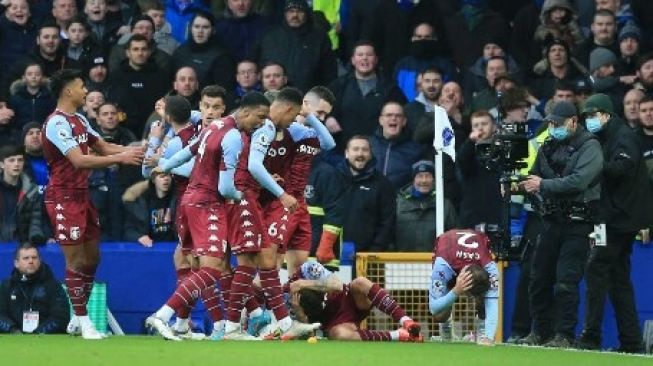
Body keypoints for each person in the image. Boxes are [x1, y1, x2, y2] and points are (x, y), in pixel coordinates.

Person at [145, 92, 264, 341]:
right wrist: (241, 194)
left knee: (201, 266)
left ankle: (208, 326)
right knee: (212, 269)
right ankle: (163, 316)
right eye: (260, 116)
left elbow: (189, 151)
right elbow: (224, 187)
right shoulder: (233, 137)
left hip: (189, 200)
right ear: (245, 111)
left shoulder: (215, 127)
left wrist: (165, 166)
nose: (261, 123)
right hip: (208, 204)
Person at [42, 69, 144, 339]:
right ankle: (84, 321)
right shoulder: (56, 123)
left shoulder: (80, 119)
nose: (86, 91)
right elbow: (80, 160)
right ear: (68, 91)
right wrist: (121, 160)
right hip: (63, 196)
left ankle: (78, 316)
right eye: (81, 86)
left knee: (92, 259)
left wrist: (133, 151)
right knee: (74, 261)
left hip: (82, 195)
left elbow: (102, 146)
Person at [518, 101, 603, 347]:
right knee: (538, 279)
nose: (553, 127)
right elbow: (533, 176)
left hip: (579, 223)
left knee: (566, 280)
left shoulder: (590, 147)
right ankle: (539, 332)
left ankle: (564, 335)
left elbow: (578, 182)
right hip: (551, 220)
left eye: (558, 123)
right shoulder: (548, 145)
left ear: (574, 121)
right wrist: (517, 184)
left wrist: (542, 185)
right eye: (551, 123)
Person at [577, 93, 652, 353]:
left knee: (596, 270)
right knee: (619, 279)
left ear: (606, 115)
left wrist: (594, 165)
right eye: (586, 116)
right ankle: (631, 342)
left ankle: (591, 336)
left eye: (592, 115)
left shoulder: (623, 136)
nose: (589, 120)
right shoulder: (608, 135)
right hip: (611, 218)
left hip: (616, 219)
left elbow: (623, 168)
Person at [261, 86, 337, 277]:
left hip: (300, 204)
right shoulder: (279, 130)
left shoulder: (306, 132)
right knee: (272, 265)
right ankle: (254, 307)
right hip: (280, 201)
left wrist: (310, 117)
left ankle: (288, 307)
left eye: (324, 115)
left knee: (298, 271)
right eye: (318, 112)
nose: (320, 117)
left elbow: (329, 144)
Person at [289, 260, 423, 342]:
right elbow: (309, 337)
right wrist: (300, 314)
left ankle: (405, 321)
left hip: (347, 299)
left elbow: (337, 286)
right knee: (338, 335)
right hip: (335, 322)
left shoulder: (308, 268)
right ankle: (399, 335)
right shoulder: (284, 301)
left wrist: (304, 283)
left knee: (360, 282)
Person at [317, 136, 395, 262]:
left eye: (365, 150)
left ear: (370, 154)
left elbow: (387, 223)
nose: (360, 154)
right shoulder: (331, 179)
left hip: (366, 259)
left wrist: (373, 253)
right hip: (330, 255)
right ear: (346, 153)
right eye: (356, 149)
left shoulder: (383, 184)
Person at [428, 229, 499, 346]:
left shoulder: (491, 268)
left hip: (468, 253)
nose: (470, 304)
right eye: (470, 296)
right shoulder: (441, 267)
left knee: (484, 297)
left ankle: (483, 333)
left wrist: (489, 337)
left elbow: (492, 302)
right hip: (448, 255)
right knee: (439, 314)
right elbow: (433, 308)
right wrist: (455, 291)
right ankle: (446, 327)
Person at [253, 0, 337, 93]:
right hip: (273, 98)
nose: (295, 15)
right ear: (284, 14)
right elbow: (258, 65)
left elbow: (330, 73)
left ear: (306, 13)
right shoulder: (269, 36)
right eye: (291, 11)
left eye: (300, 11)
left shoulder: (319, 37)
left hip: (309, 98)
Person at [0, 243, 70, 334]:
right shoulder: (7, 285)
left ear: (40, 261)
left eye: (34, 258)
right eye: (26, 258)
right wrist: (13, 330)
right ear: (16, 263)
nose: (31, 261)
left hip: (45, 340)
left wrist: (38, 332)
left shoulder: (52, 285)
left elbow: (61, 318)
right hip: (14, 337)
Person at [395, 160, 457, 252]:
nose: (424, 180)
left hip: (435, 262)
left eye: (428, 176)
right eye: (420, 176)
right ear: (413, 180)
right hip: (402, 262)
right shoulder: (399, 203)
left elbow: (455, 236)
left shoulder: (444, 205)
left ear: (434, 179)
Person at [369, 102, 424, 190]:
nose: (393, 118)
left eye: (398, 116)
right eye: (388, 115)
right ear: (381, 120)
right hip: (370, 199)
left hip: (400, 201)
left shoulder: (415, 150)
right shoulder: (367, 145)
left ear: (404, 121)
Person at [0, 145, 46, 245]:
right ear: (2, 165)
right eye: (11, 160)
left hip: (23, 244)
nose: (17, 164)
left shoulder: (32, 190)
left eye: (20, 160)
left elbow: (36, 219)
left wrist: (36, 236)